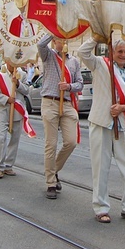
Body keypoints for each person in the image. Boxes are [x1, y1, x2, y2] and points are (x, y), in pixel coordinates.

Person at [78, 36, 125, 224]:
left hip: (123, 125)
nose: (123, 55)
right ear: (112, 52)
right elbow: (82, 52)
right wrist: (96, 38)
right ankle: (100, 208)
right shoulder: (100, 64)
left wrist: (124, 108)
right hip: (101, 123)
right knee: (101, 168)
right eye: (119, 52)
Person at [37, 34, 83, 199]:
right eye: (58, 40)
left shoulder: (74, 61)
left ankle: (53, 170)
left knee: (71, 142)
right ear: (54, 41)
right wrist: (52, 30)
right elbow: (40, 44)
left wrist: (69, 86)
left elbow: (80, 83)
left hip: (68, 103)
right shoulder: (48, 55)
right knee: (51, 144)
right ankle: (50, 182)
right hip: (50, 102)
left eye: (63, 39)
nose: (61, 43)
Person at [0, 63, 32, 179]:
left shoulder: (22, 74)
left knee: (14, 139)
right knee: (1, 138)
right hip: (3, 109)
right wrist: (6, 99)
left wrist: (18, 83)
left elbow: (27, 90)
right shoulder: (0, 75)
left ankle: (8, 165)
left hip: (17, 109)